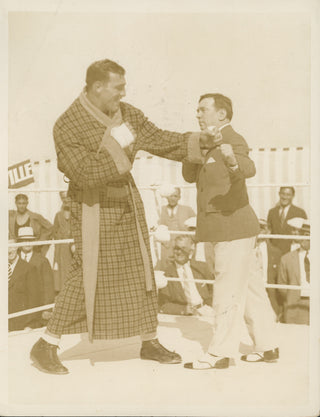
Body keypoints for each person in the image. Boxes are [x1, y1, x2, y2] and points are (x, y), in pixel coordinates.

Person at [29, 58, 210, 375]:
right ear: (97, 86)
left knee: (142, 270)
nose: (123, 93)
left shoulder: (128, 113)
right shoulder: (67, 124)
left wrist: (196, 141)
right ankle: (46, 343)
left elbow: (157, 138)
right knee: (85, 274)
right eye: (118, 87)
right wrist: (120, 143)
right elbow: (84, 173)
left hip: (127, 201)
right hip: (92, 207)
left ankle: (149, 340)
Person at [182, 93, 278, 370]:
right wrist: (197, 147)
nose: (197, 114)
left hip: (232, 226)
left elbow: (248, 167)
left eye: (203, 110)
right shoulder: (203, 142)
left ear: (221, 114)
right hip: (228, 228)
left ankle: (221, 353)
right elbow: (189, 176)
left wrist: (232, 160)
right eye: (197, 110)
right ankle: (268, 345)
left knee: (225, 289)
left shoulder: (233, 139)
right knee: (250, 287)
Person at [156, 235, 213, 316]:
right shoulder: (166, 273)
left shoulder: (202, 268)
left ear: (191, 251)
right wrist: (183, 310)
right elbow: (163, 304)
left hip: (206, 311)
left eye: (183, 248)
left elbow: (213, 291)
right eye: (176, 248)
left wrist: (209, 306)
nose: (179, 252)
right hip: (183, 316)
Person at [18, 227, 55, 324]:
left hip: (36, 309)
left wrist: (47, 309)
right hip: (17, 308)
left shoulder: (42, 261)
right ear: (19, 242)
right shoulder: (13, 259)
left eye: (30, 240)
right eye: (24, 240)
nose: (27, 243)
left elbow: (49, 287)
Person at [277, 218, 310, 325]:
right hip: (294, 306)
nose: (305, 238)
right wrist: (292, 296)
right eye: (302, 234)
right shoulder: (286, 259)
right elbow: (281, 285)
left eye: (308, 234)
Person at [157, 184, 195, 266]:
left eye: (175, 196)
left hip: (182, 249)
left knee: (185, 269)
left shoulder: (187, 210)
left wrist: (189, 244)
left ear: (179, 197)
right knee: (168, 271)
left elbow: (196, 229)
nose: (173, 198)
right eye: (170, 196)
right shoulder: (161, 210)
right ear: (167, 197)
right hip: (167, 249)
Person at [8, 239, 40, 331]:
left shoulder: (29, 268)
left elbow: (34, 299)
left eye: (12, 247)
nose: (10, 251)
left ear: (17, 247)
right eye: (7, 247)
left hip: (21, 324)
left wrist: (30, 324)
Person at [267, 187, 307, 255]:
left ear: (293, 196)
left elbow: (305, 234)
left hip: (293, 252)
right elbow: (269, 232)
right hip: (275, 253)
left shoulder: (300, 212)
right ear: (279, 194)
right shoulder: (272, 212)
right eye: (283, 194)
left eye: (288, 194)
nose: (285, 197)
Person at [256, 219, 283, 319]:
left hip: (270, 294)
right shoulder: (245, 251)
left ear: (268, 231)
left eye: (262, 228)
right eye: (255, 227)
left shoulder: (276, 253)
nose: (258, 231)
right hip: (252, 293)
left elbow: (280, 281)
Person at [53, 201, 75, 294]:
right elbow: (54, 231)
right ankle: (63, 291)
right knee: (61, 269)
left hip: (73, 244)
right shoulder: (58, 215)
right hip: (62, 247)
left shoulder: (76, 214)